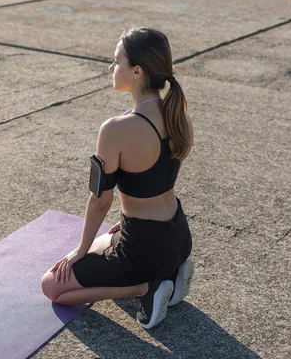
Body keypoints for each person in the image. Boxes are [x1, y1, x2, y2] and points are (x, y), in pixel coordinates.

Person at [41, 27, 194, 329]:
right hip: (178, 235)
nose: (111, 68)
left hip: (143, 249)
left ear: (137, 71)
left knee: (52, 287)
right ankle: (172, 271)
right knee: (108, 239)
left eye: (116, 61)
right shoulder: (180, 116)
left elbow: (100, 201)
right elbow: (157, 180)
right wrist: (126, 222)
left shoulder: (115, 129)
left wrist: (80, 251)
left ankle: (144, 288)